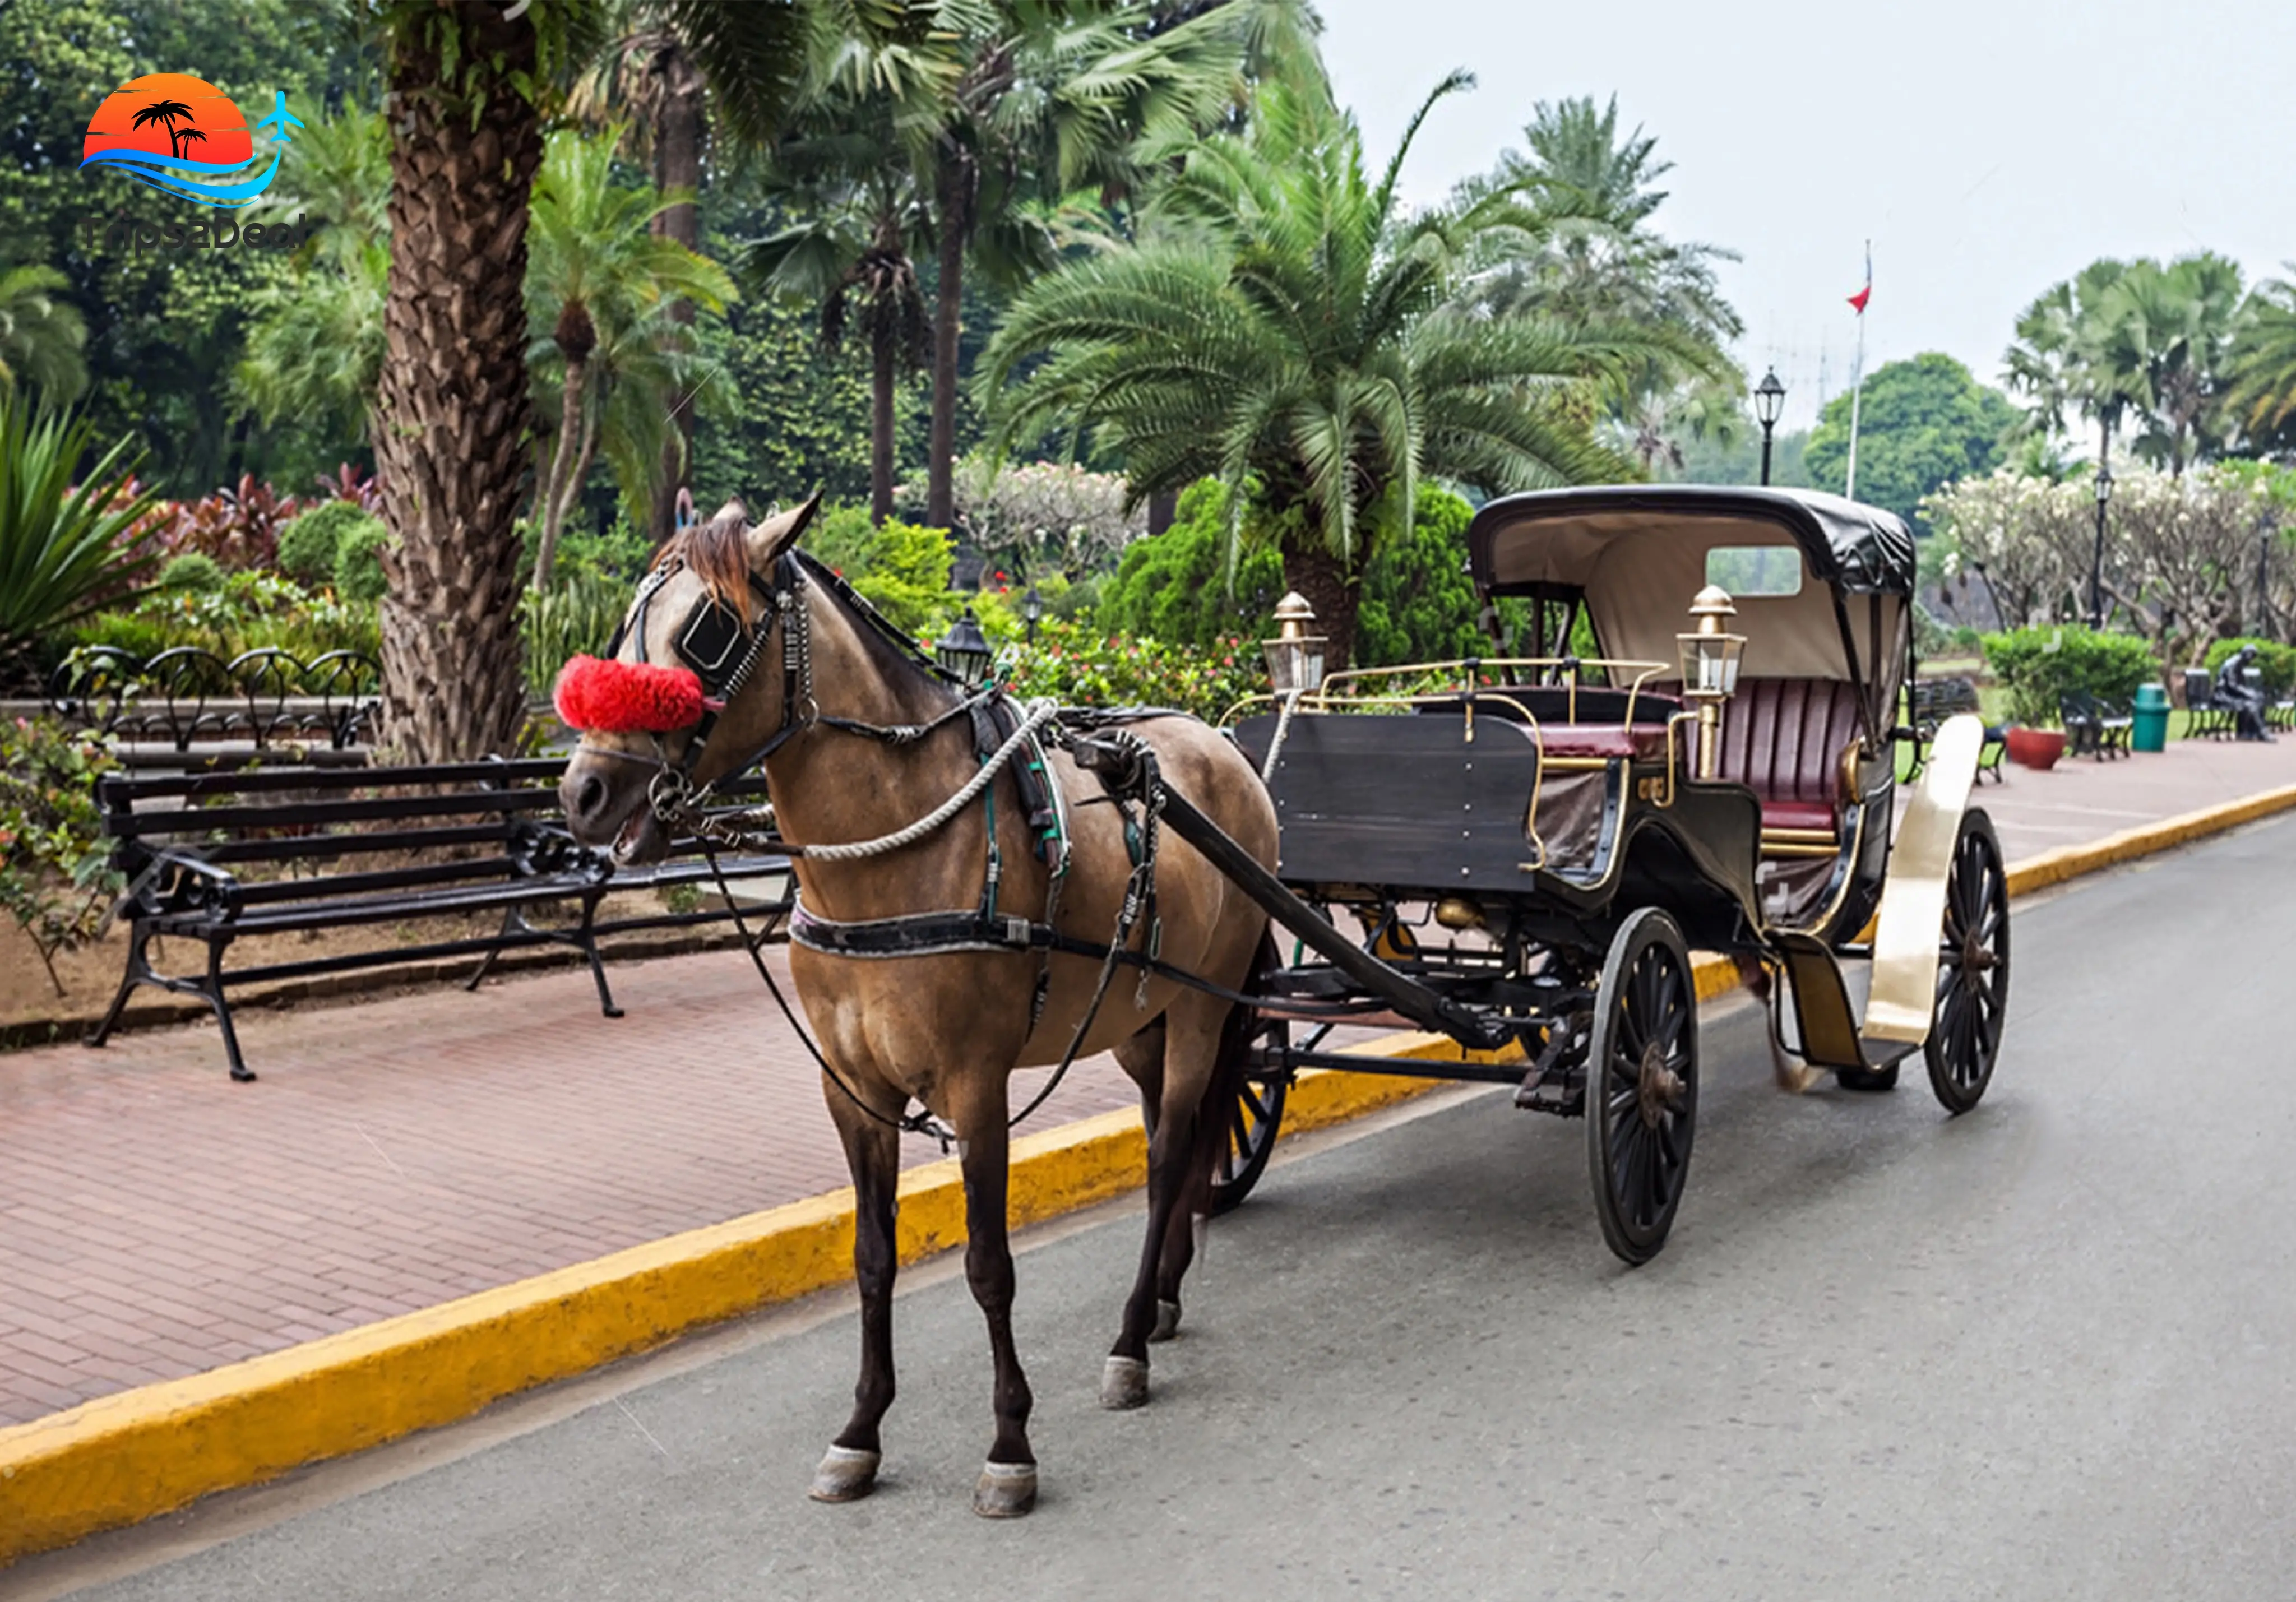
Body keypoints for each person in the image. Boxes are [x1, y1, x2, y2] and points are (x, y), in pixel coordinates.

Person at [2215, 643, 2274, 742]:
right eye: (2252, 657)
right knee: (2250, 704)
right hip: (2222, 696)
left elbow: (2239, 685)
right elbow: (2232, 685)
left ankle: (2250, 732)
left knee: (2259, 698)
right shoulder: (2233, 664)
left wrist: (2249, 692)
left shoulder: (2239, 663)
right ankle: (2261, 732)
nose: (2252, 660)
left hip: (2231, 694)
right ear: (2248, 655)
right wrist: (2247, 693)